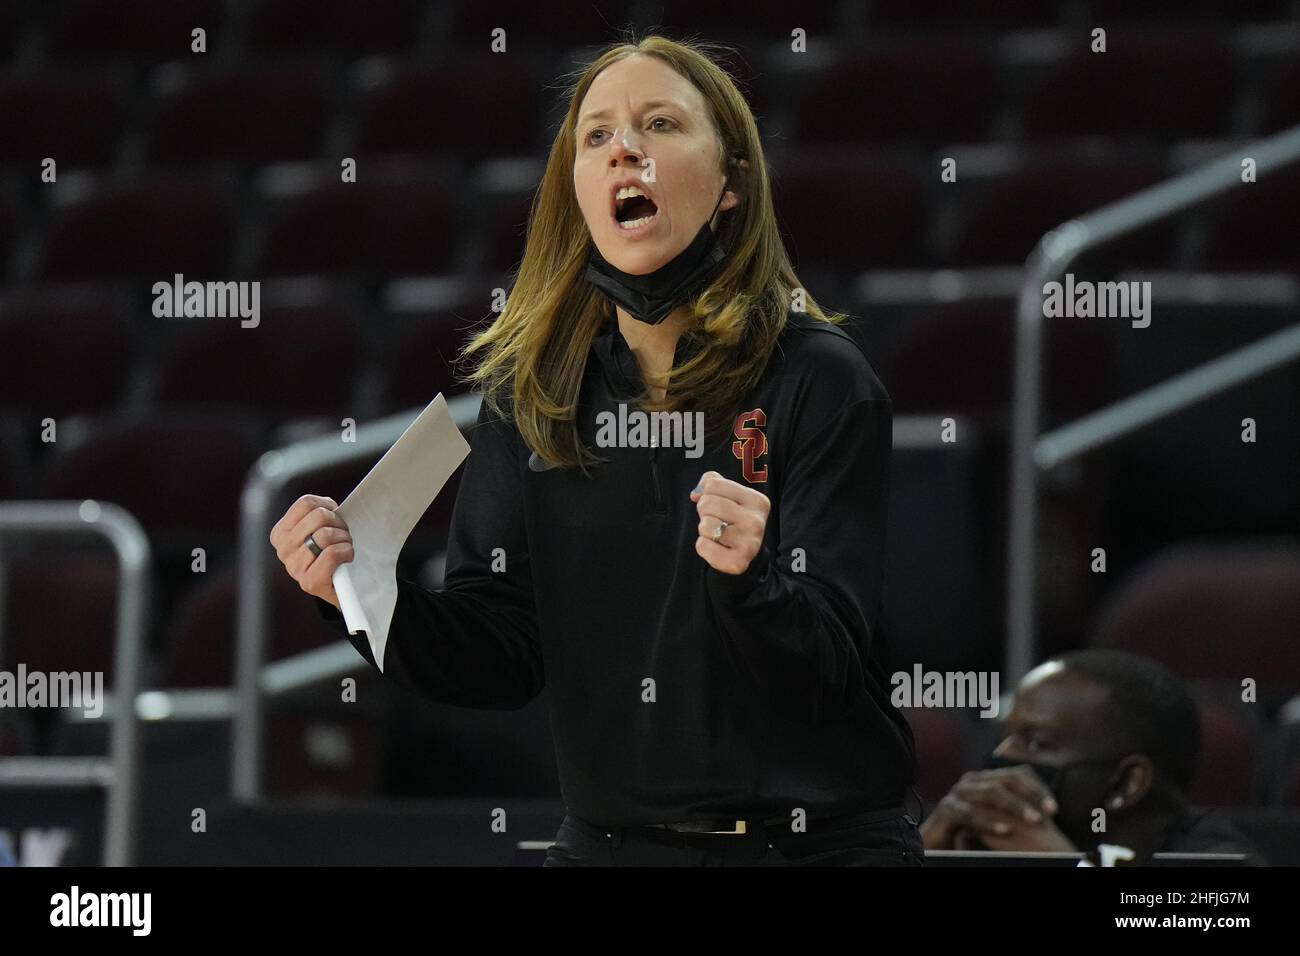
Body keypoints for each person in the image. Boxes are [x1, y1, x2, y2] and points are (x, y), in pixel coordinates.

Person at [270, 31, 921, 866]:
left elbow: (827, 667)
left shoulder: (819, 377)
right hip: (608, 848)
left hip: (812, 847)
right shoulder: (532, 390)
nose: (626, 153)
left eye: (660, 125)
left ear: (733, 184)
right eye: (598, 136)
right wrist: (357, 589)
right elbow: (501, 655)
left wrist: (749, 584)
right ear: (575, 189)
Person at [921, 649, 1267, 865]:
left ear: (1127, 783)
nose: (1002, 757)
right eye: (1005, 739)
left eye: (1038, 744)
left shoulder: (1218, 861)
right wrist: (916, 857)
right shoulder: (982, 845)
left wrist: (1062, 865)